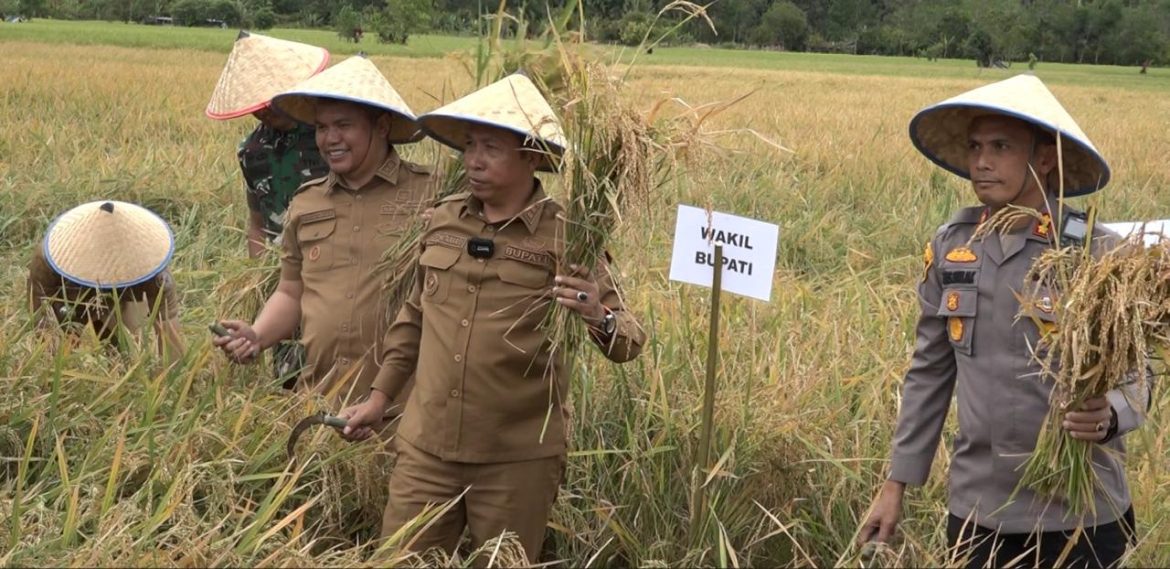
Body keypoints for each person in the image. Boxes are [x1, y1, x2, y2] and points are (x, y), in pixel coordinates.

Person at [338, 74, 646, 562]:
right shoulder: (442, 220)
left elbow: (629, 341)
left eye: (491, 148)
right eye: (469, 146)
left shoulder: (568, 235)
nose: (473, 161)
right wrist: (378, 399)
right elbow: (413, 321)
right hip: (425, 448)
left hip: (516, 460)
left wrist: (595, 312)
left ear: (530, 156)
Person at [859, 75, 1150, 568]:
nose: (981, 162)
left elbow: (1138, 372)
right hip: (979, 512)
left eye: (1000, 147)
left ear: (1043, 158)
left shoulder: (1098, 252)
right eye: (974, 147)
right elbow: (929, 373)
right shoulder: (954, 248)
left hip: (1082, 515)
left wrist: (1112, 414)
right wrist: (896, 484)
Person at [213, 55, 434, 406]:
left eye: (343, 125)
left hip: (406, 410)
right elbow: (291, 292)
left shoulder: (433, 196)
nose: (330, 139)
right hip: (320, 402)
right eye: (321, 127)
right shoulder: (307, 203)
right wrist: (257, 335)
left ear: (381, 126)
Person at [206, 31, 331, 386]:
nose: (265, 107)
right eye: (255, 100)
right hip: (285, 278)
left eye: (271, 95)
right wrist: (258, 279)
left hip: (335, 272)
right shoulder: (252, 151)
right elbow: (257, 224)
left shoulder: (329, 136)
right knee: (289, 377)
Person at [28, 200, 185, 365]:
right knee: (66, 349)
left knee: (125, 354)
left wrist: (173, 381)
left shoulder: (155, 276)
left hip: (124, 299)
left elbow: (169, 333)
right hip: (70, 301)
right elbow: (42, 319)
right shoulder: (47, 260)